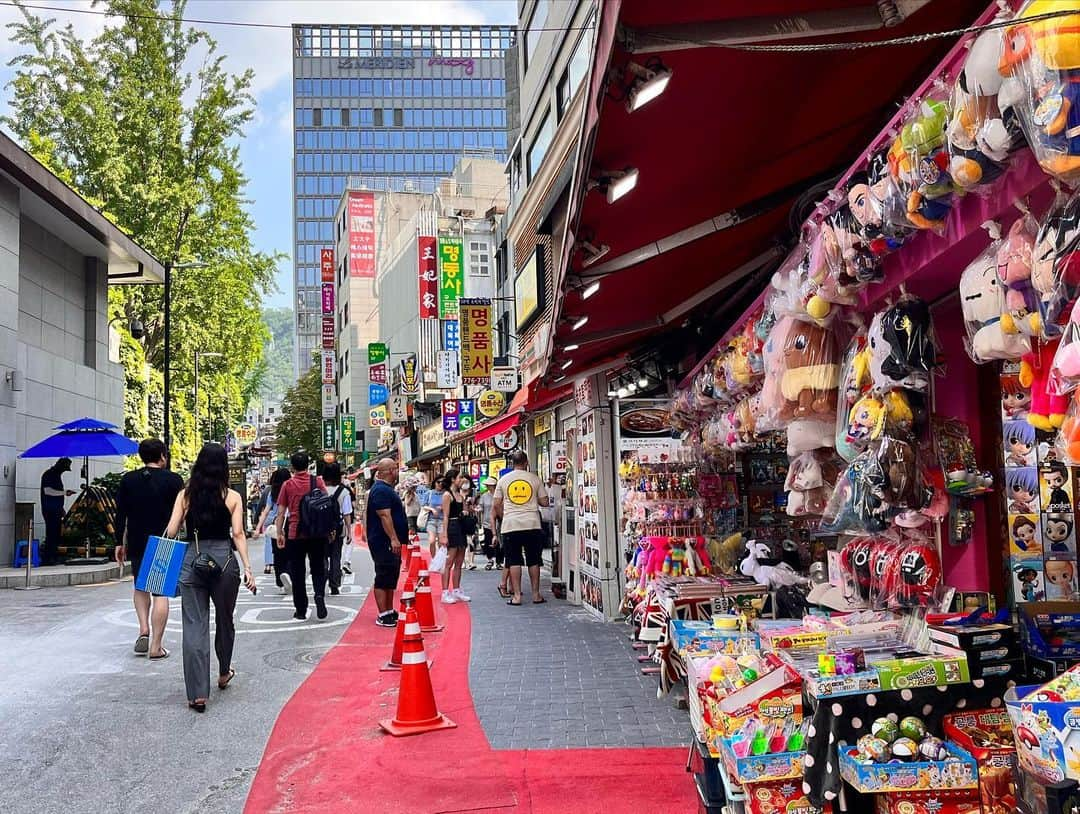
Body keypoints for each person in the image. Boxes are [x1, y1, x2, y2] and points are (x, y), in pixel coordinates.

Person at [163, 442, 256, 713]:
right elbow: (238, 534)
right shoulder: (233, 497)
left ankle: (197, 695)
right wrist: (248, 568)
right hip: (224, 560)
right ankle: (224, 671)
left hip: (193, 559)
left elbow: (171, 530)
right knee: (225, 619)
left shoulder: (185, 495)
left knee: (194, 625)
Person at [113, 439, 184, 659]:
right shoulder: (173, 480)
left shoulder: (129, 479)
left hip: (136, 539)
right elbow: (183, 512)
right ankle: (156, 646)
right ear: (162, 456)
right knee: (161, 592)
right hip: (164, 540)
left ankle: (143, 627)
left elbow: (120, 514)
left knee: (140, 586)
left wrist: (118, 542)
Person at [276, 451, 329, 620]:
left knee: (297, 572)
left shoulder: (288, 485)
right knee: (318, 567)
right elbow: (326, 504)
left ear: (292, 466)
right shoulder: (318, 481)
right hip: (317, 532)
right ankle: (319, 594)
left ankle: (300, 609)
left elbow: (281, 512)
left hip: (295, 533)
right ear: (308, 464)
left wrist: (279, 533)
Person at [493, 450, 550, 606]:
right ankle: (536, 595)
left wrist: (504, 516)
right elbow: (545, 502)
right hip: (532, 524)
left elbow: (496, 504)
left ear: (512, 463)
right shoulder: (535, 479)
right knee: (534, 560)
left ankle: (517, 596)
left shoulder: (503, 480)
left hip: (510, 525)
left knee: (513, 560)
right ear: (526, 463)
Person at [365, 458, 405, 627]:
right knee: (383, 574)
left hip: (387, 540)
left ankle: (389, 610)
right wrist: (393, 538)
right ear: (390, 471)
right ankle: (383, 613)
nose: (397, 472)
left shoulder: (386, 489)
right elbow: (384, 515)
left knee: (390, 574)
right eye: (395, 469)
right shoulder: (381, 490)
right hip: (383, 541)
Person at [254, 468, 292, 594]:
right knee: (290, 553)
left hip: (275, 526)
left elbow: (265, 511)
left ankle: (280, 581)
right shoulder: (292, 489)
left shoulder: (273, 492)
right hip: (290, 524)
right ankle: (288, 574)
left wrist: (258, 528)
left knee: (277, 553)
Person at [438, 469, 471, 604]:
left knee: (459, 561)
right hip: (452, 527)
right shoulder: (447, 495)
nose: (461, 480)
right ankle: (445, 591)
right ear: (452, 479)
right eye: (459, 477)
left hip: (461, 527)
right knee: (449, 562)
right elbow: (445, 516)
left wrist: (466, 508)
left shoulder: (459, 494)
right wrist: (444, 534)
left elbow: (465, 510)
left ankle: (456, 590)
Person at [322, 462, 353, 596]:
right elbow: (347, 513)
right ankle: (334, 584)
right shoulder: (344, 491)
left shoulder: (319, 489)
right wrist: (349, 531)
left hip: (320, 528)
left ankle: (321, 582)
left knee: (321, 556)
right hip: (338, 528)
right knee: (336, 556)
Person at [39, 457, 75, 565]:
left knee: (55, 533)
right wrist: (64, 493)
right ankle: (48, 558)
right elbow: (48, 491)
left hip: (55, 509)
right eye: (64, 468)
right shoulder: (49, 475)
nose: (64, 471)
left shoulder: (56, 475)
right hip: (50, 510)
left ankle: (52, 556)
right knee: (51, 533)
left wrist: (61, 509)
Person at [478, 476, 499, 571]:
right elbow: (481, 507)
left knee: (499, 543)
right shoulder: (484, 496)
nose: (487, 486)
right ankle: (490, 560)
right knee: (488, 542)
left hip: (499, 522)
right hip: (487, 522)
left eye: (489, 485)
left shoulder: (499, 495)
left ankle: (499, 561)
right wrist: (478, 509)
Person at [461, 475, 479, 571]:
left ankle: (471, 561)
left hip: (471, 519)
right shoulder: (457, 493)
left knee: (472, 541)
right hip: (461, 520)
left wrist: (472, 505)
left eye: (466, 482)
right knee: (463, 542)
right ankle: (464, 561)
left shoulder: (474, 492)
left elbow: (477, 506)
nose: (464, 484)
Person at [425, 476, 445, 557]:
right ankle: (433, 558)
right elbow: (424, 506)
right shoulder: (429, 493)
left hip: (442, 520)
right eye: (438, 482)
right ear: (434, 483)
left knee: (441, 542)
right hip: (431, 520)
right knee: (432, 541)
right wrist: (432, 509)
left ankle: (440, 560)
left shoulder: (445, 493)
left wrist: (443, 507)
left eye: (442, 482)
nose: (440, 484)